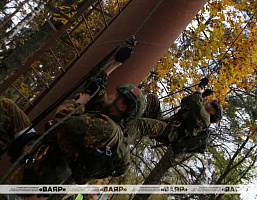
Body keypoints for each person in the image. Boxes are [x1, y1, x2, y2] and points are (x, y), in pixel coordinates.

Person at [126, 80, 223, 154]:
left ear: (213, 113)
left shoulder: (206, 120)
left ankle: (120, 137)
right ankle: (128, 116)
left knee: (142, 124)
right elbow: (185, 101)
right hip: (166, 124)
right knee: (153, 100)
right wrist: (201, 95)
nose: (209, 104)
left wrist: (200, 90)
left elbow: (195, 102)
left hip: (170, 133)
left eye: (212, 107)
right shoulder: (198, 111)